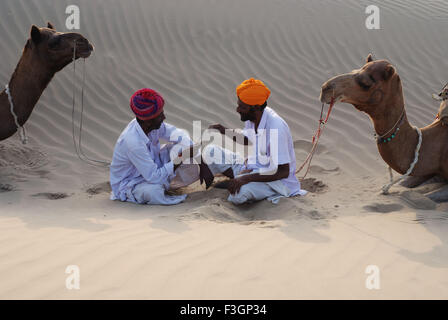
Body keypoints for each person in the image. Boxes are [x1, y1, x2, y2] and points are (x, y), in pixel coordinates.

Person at [206, 78, 307, 205]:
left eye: (241, 107)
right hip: (252, 168)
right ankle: (239, 180)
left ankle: (244, 184)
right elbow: (247, 138)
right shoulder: (253, 117)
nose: (237, 109)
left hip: (276, 182)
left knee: (237, 195)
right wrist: (223, 130)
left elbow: (283, 172)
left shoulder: (276, 127)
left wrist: (246, 178)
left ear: (256, 107)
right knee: (210, 152)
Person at [110, 88, 212, 205]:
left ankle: (168, 185)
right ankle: (164, 190)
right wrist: (179, 159)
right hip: (131, 183)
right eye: (160, 115)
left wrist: (202, 163)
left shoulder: (151, 125)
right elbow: (153, 177)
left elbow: (181, 136)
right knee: (154, 191)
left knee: (183, 148)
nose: (164, 117)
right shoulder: (133, 142)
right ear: (148, 121)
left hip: (154, 168)